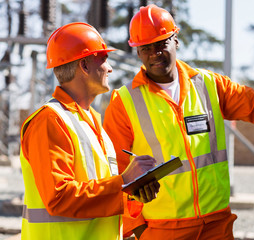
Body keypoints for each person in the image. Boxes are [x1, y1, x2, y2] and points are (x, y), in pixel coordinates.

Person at [103, 4, 254, 240]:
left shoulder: (209, 85)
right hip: (162, 229)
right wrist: (137, 228)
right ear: (138, 51)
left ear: (175, 40)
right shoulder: (124, 102)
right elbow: (113, 172)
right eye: (146, 48)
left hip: (216, 226)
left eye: (161, 43)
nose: (154, 53)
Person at [19, 22, 160, 240]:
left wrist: (133, 192)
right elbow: (59, 198)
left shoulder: (91, 122)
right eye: (103, 59)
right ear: (84, 65)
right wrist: (123, 181)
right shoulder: (50, 121)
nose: (110, 68)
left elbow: (99, 193)